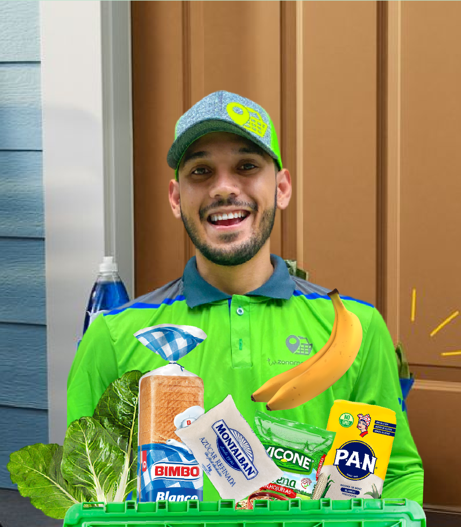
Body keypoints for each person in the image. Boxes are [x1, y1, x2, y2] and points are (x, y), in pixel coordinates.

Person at [67, 90, 423, 502]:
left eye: (246, 166)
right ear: (175, 198)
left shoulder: (357, 328)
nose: (223, 188)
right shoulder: (115, 334)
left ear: (282, 188)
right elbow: (86, 491)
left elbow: (395, 475)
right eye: (201, 171)